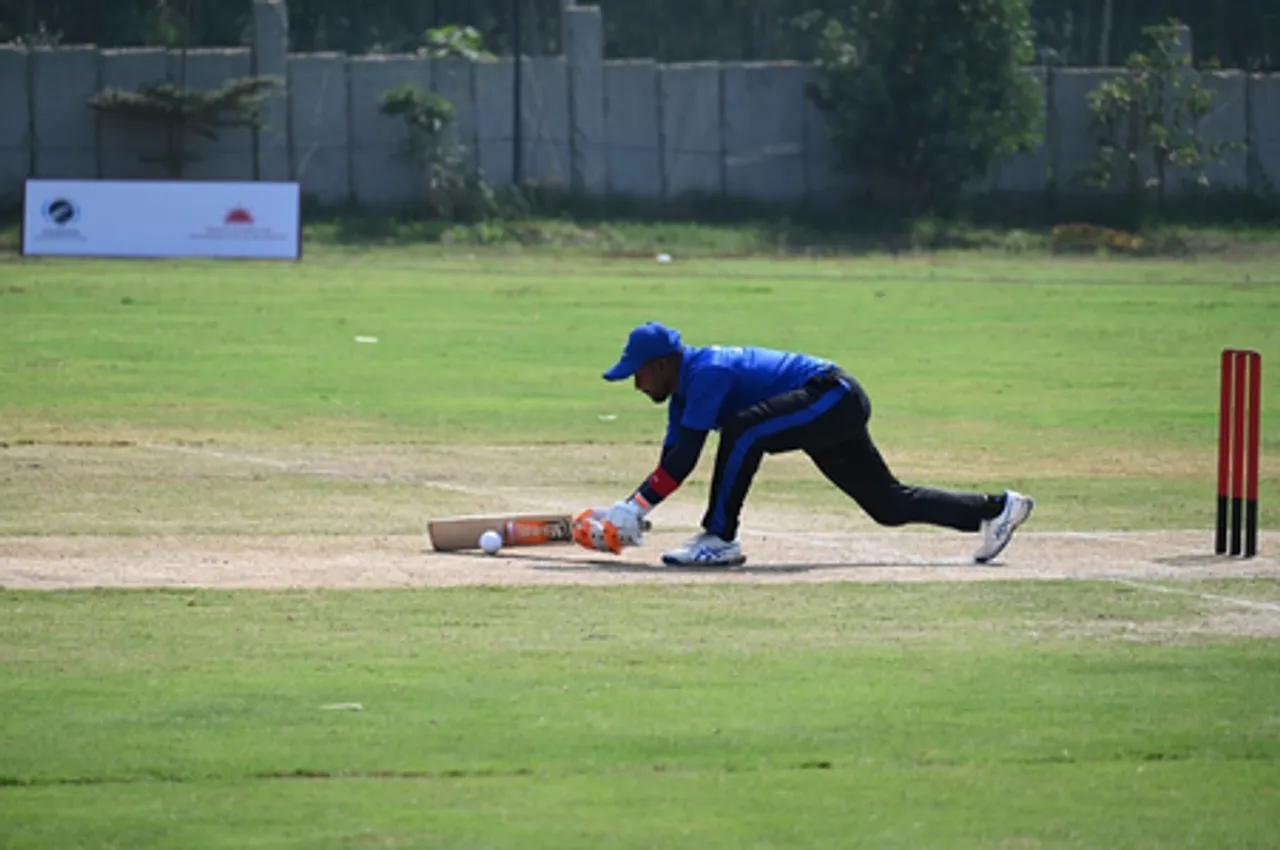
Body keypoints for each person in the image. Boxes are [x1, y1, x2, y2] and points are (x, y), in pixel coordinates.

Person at [576, 321, 1034, 567]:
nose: (634, 384)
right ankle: (995, 509)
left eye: (636, 373)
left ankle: (719, 539)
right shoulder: (681, 394)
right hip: (823, 409)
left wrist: (635, 507)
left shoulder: (707, 371)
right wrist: (630, 510)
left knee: (743, 430)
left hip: (832, 395)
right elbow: (675, 460)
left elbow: (695, 452)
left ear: (660, 365)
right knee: (887, 506)